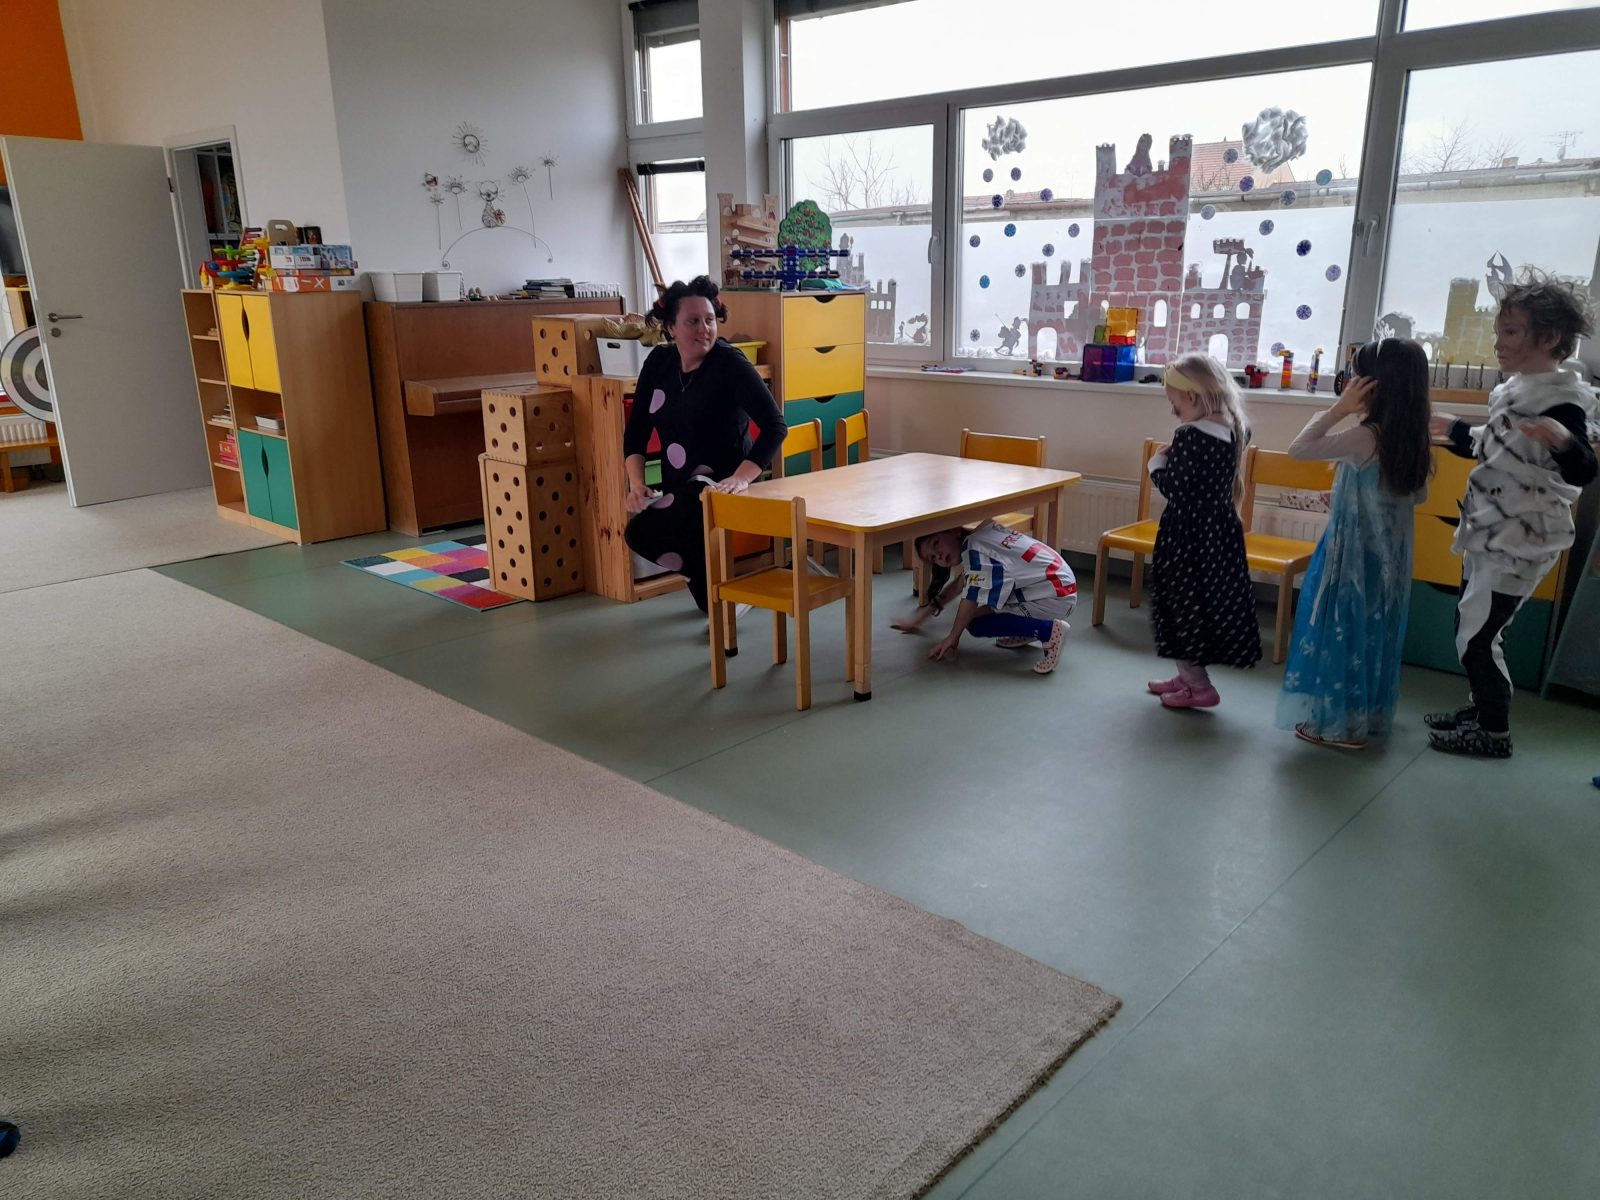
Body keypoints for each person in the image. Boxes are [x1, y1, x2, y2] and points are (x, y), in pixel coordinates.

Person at [1425, 271, 1597, 758]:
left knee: (1478, 635)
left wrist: (1563, 441)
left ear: (1550, 338)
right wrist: (1457, 431)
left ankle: (1493, 730)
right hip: (1490, 528)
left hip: (1522, 538)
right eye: (1498, 331)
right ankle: (1482, 707)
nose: (1498, 343)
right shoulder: (1517, 389)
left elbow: (1584, 467)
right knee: (1471, 625)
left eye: (1511, 332)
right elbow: (1498, 448)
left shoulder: (1562, 400)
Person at [1275, 339, 1433, 748]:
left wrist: (1338, 410)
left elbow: (1299, 449)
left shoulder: (1365, 436)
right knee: (1373, 634)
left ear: (1373, 387)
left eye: (1356, 377)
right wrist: (1351, 493)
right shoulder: (1413, 438)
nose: (1350, 383)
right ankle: (1369, 714)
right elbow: (1415, 497)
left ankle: (1341, 726)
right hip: (1389, 560)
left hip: (1352, 558)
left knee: (1342, 632)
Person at [623, 276, 786, 613]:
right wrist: (637, 484)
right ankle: (720, 592)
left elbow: (775, 426)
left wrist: (741, 478)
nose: (704, 329)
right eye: (693, 321)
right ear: (671, 328)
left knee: (651, 526)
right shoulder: (658, 364)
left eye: (710, 320)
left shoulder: (730, 364)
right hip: (679, 485)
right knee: (645, 537)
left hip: (721, 482)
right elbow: (636, 431)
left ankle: (722, 593)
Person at [1146, 353, 1261, 708]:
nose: (1174, 413)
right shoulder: (1237, 427)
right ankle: (1187, 675)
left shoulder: (1191, 436)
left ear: (1193, 396)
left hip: (1186, 535)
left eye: (1176, 405)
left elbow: (1176, 489)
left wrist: (1156, 465)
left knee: (1181, 603)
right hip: (1219, 532)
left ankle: (1198, 685)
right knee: (1202, 602)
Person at [892, 521, 1074, 675]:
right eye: (933, 558)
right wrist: (918, 620)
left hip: (1054, 596)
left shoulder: (975, 554)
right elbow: (958, 585)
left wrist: (952, 637)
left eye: (936, 543)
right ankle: (1026, 629)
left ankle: (1048, 630)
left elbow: (970, 598)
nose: (938, 555)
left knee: (974, 624)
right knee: (977, 615)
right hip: (1061, 582)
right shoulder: (982, 532)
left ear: (954, 530)